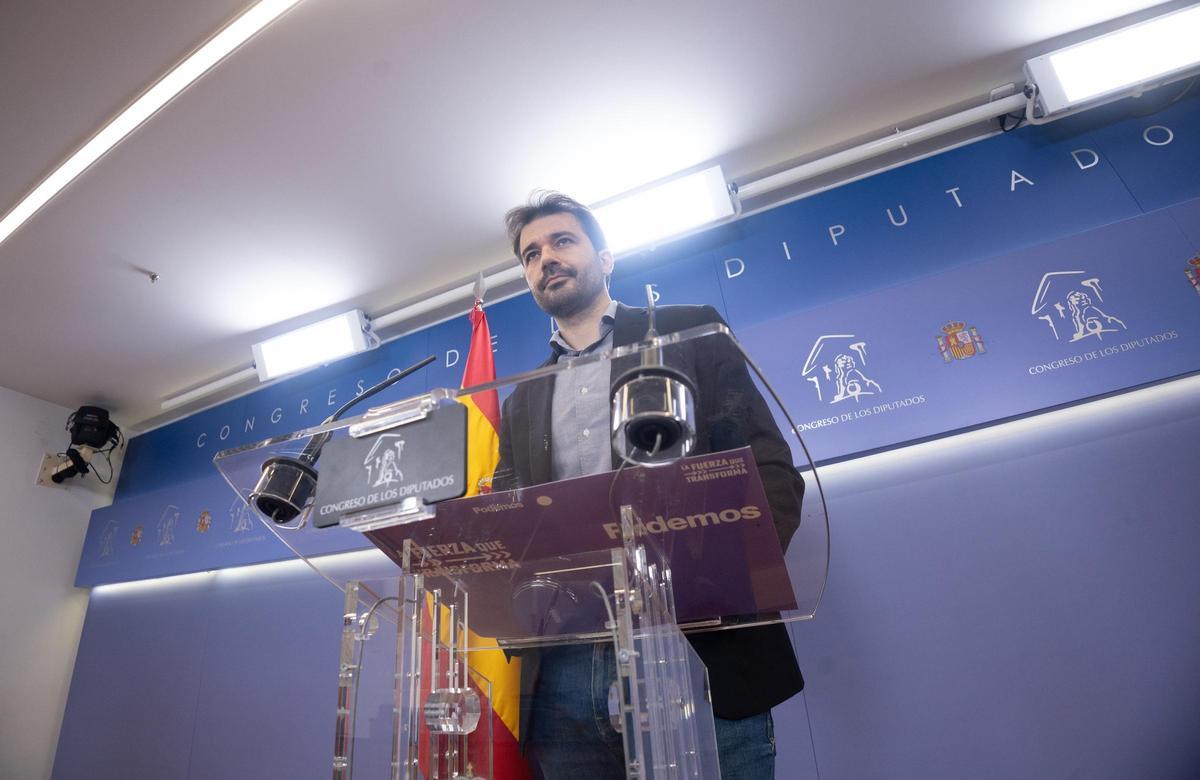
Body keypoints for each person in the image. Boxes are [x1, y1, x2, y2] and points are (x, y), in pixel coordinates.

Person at [493, 191, 805, 779]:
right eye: (531, 254)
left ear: (605, 259)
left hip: (696, 639)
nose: (546, 260)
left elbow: (769, 467)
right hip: (563, 665)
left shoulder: (688, 332)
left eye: (563, 241)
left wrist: (731, 578)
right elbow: (515, 519)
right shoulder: (520, 398)